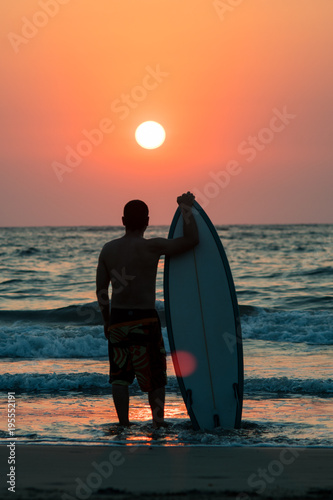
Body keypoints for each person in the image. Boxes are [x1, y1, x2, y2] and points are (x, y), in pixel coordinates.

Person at [96, 192, 199, 428]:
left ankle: (123, 424)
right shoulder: (153, 247)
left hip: (119, 320)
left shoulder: (108, 250)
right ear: (147, 222)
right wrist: (185, 208)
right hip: (145, 320)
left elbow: (101, 292)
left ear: (123, 221)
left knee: (119, 377)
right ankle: (158, 422)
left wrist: (106, 321)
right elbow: (192, 240)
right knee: (154, 377)